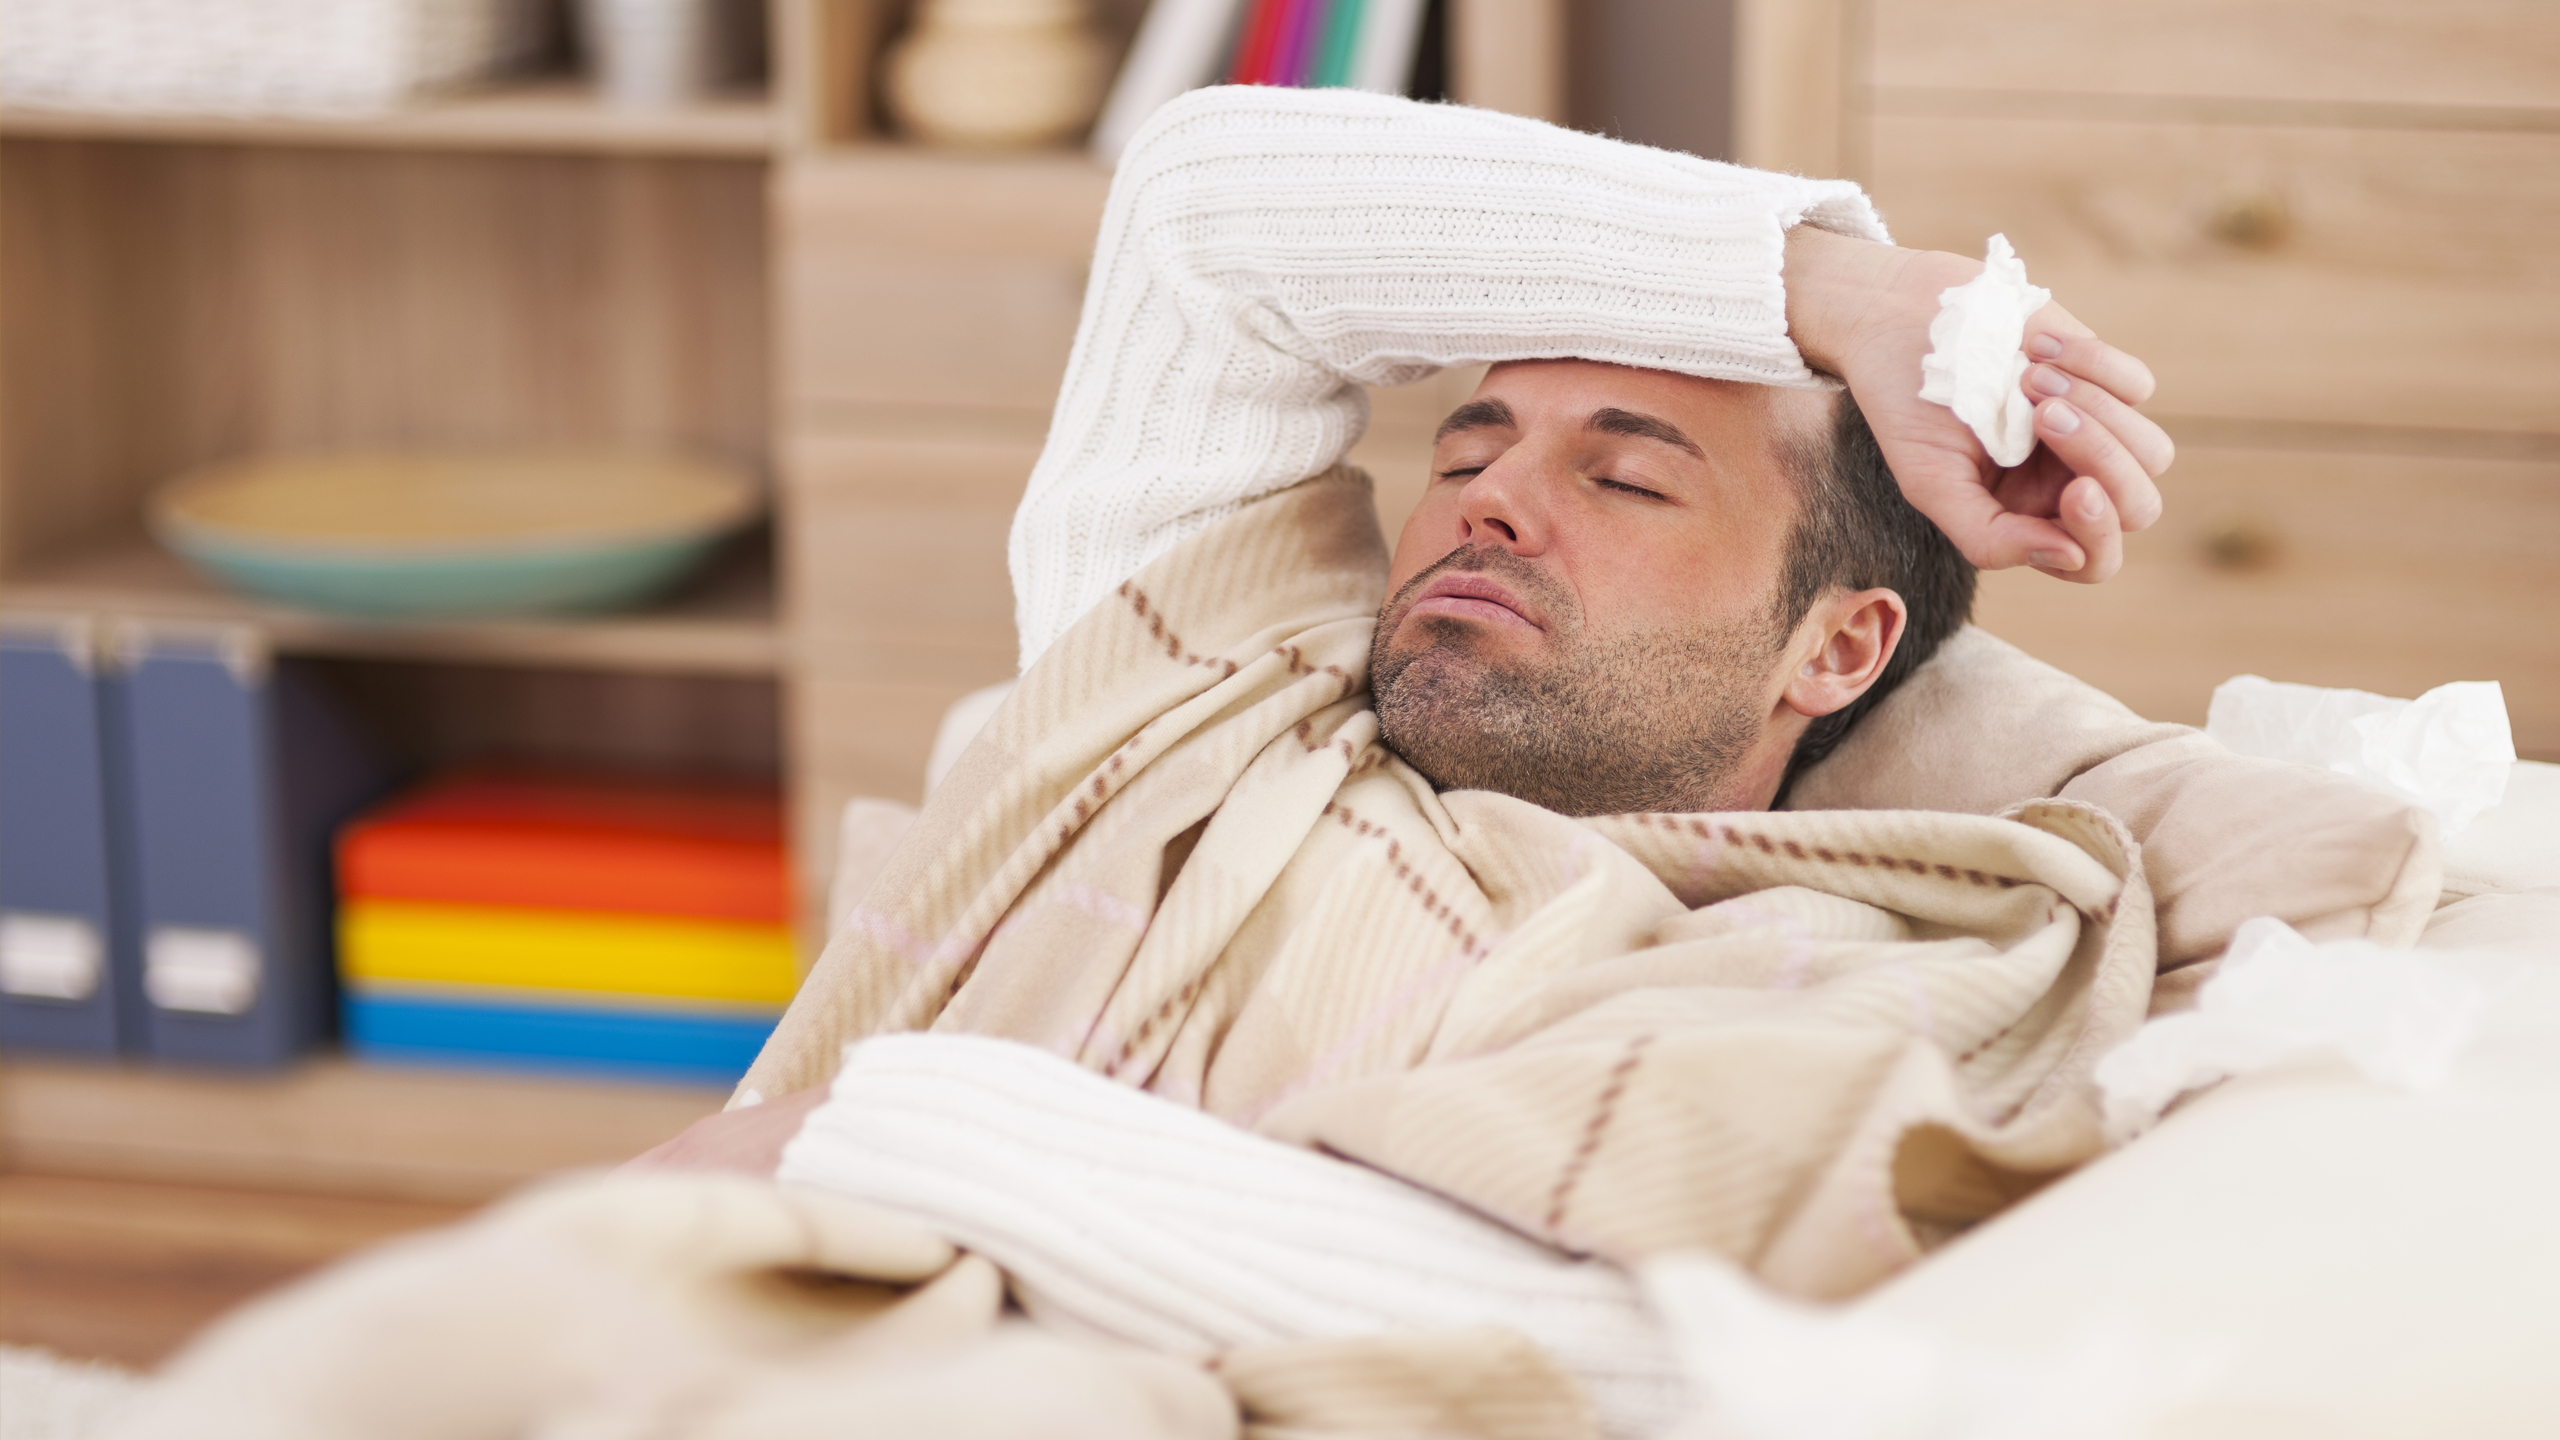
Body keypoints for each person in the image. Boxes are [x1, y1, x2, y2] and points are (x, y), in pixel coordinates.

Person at [642, 84, 2173, 1266]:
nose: (1490, 500)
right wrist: (1844, 292)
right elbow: (1200, 211)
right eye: (1464, 450)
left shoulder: (1819, 980)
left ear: (1836, 648)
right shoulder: (1199, 699)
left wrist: (904, 1148)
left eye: (1626, 481)